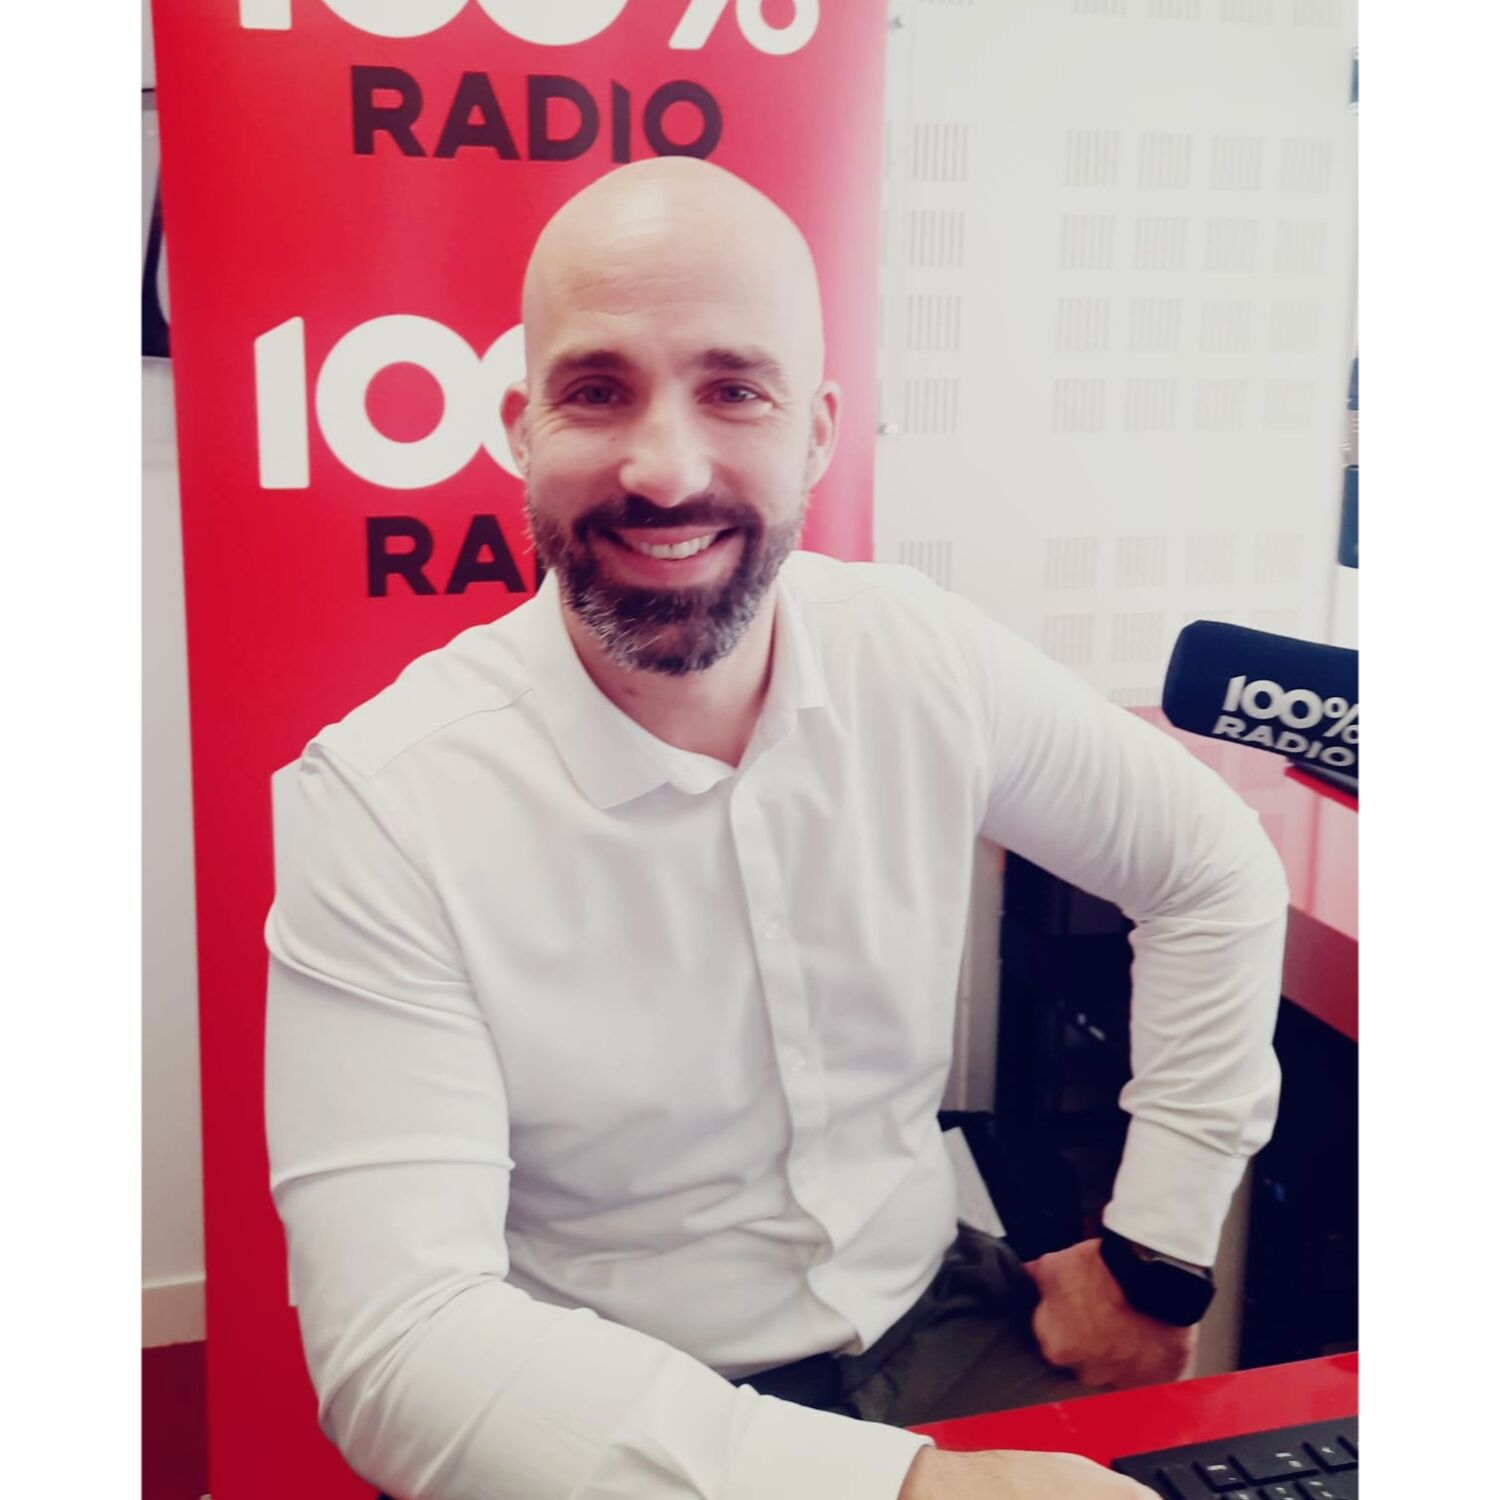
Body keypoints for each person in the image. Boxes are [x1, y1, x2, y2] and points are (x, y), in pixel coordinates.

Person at [264, 157, 1288, 1500]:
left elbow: (1212, 867)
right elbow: (401, 1344)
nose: (664, 467)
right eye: (597, 390)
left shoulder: (920, 657)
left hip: (937, 1323)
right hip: (595, 1409)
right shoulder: (384, 802)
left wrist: (1156, 1251)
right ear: (520, 428)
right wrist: (910, 1495)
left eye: (735, 391)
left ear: (816, 432)